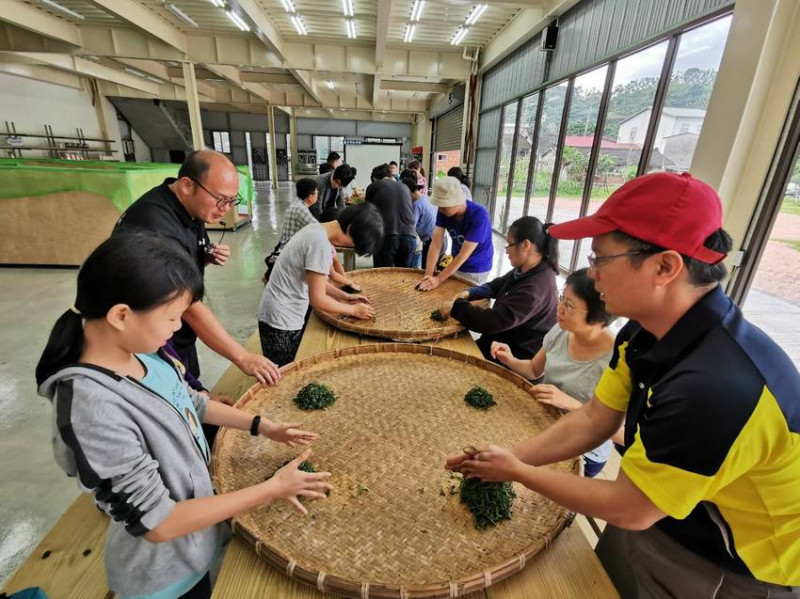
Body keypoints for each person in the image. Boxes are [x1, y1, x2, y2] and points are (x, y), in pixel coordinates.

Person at [446, 172, 800, 597]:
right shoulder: (643, 334)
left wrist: (518, 472)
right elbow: (595, 417)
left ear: (665, 266)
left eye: (599, 259)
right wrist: (506, 460)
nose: (591, 275)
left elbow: (631, 508)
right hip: (660, 511)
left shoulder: (717, 387)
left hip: (732, 565)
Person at [35, 232, 331, 599]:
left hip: (197, 542)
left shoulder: (143, 351)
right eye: (173, 317)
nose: (178, 327)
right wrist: (273, 488)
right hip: (163, 577)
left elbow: (190, 400)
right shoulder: (91, 408)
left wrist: (261, 425)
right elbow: (158, 522)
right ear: (121, 316)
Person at [114, 150, 281, 386]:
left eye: (232, 200)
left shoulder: (191, 208)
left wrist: (204, 254)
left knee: (189, 385)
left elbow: (179, 261)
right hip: (146, 339)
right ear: (186, 185)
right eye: (220, 199)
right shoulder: (155, 227)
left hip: (174, 328)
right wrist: (242, 357)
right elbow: (188, 305)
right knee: (171, 394)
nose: (226, 208)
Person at [490, 268, 617, 478]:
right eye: (561, 298)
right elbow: (533, 369)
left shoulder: (615, 362)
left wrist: (571, 404)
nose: (559, 309)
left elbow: (623, 434)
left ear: (598, 319)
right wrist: (509, 359)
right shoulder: (562, 329)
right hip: (546, 423)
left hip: (583, 449)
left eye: (569, 305)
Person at [258, 204, 383, 366]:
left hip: (279, 312)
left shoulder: (315, 230)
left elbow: (319, 283)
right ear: (350, 228)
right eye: (353, 244)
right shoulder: (320, 244)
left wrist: (346, 297)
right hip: (281, 320)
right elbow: (317, 299)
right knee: (281, 374)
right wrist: (353, 310)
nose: (348, 247)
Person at [437, 216, 558, 362]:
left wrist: (456, 307)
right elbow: (497, 285)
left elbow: (492, 321)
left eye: (509, 244)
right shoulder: (526, 269)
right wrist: (470, 293)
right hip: (497, 342)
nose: (506, 251)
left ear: (526, 245)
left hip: (513, 357)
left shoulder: (536, 288)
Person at [418, 176, 494, 289]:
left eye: (443, 206)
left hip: (476, 268)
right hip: (457, 264)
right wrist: (428, 275)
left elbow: (464, 254)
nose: (439, 209)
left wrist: (438, 279)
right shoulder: (443, 212)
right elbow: (436, 244)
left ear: (456, 201)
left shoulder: (479, 215)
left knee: (464, 300)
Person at [366, 163, 417, 268]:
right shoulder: (404, 187)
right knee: (404, 278)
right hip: (410, 236)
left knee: (383, 276)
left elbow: (367, 212)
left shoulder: (373, 186)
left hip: (386, 236)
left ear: (375, 178)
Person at [401, 172, 437, 269]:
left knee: (427, 270)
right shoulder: (427, 198)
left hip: (430, 241)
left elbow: (411, 228)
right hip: (439, 238)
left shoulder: (416, 205)